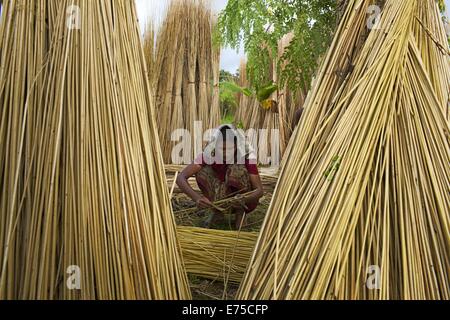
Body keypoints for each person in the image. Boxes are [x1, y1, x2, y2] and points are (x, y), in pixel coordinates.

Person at [176, 124, 264, 229]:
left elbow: (259, 191)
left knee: (238, 170)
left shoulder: (246, 156)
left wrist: (244, 199)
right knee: (202, 172)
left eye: (230, 149)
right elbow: (180, 178)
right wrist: (197, 198)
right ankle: (217, 210)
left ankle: (240, 214)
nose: (226, 153)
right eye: (222, 149)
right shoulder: (208, 154)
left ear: (236, 146)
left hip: (240, 201)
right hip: (219, 196)